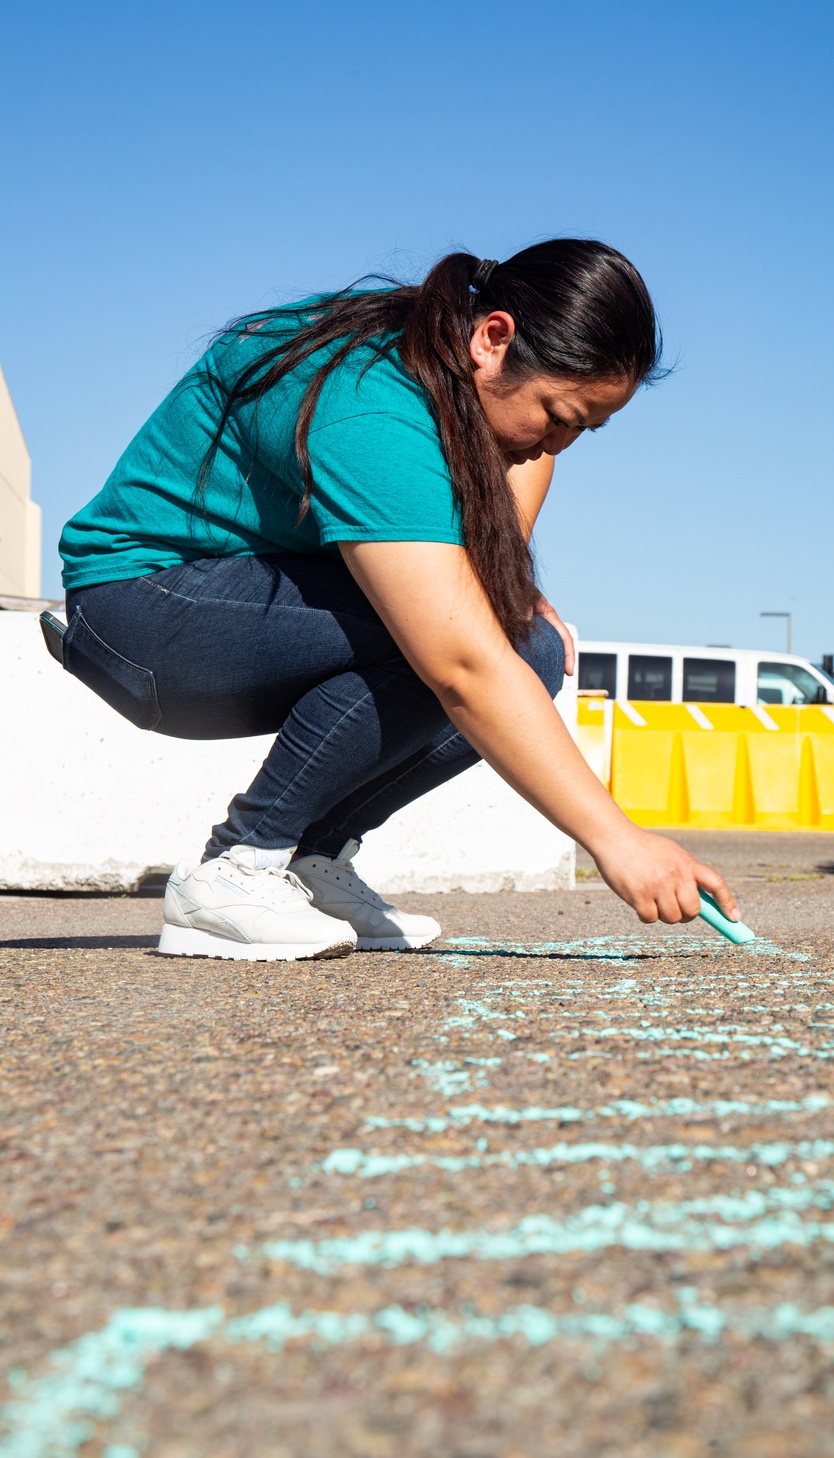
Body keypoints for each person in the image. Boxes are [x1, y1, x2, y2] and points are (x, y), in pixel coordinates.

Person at [58, 239, 740, 961]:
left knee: (528, 646)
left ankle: (306, 862)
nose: (558, 445)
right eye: (559, 413)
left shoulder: (454, 381)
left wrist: (516, 581)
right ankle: (237, 866)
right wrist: (618, 840)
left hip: (236, 606)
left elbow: (492, 565)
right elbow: (460, 660)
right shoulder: (370, 399)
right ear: (492, 337)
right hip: (143, 611)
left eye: (585, 429)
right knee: (470, 644)